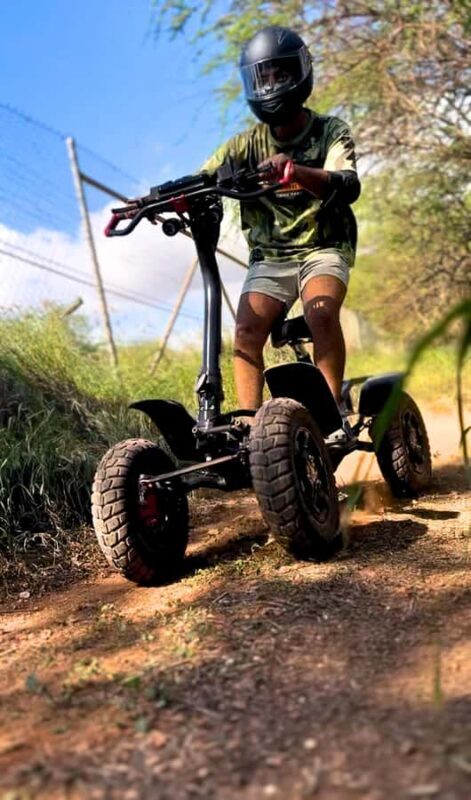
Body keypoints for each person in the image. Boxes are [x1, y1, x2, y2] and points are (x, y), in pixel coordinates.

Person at [202, 26, 361, 434]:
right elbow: (203, 177)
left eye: (281, 74)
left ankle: (330, 416)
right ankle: (251, 428)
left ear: (300, 74)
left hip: (323, 247)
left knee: (321, 313)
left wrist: (297, 171)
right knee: (245, 332)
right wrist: (155, 200)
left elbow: (347, 183)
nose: (271, 85)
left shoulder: (330, 130)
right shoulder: (245, 145)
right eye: (263, 77)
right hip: (271, 256)